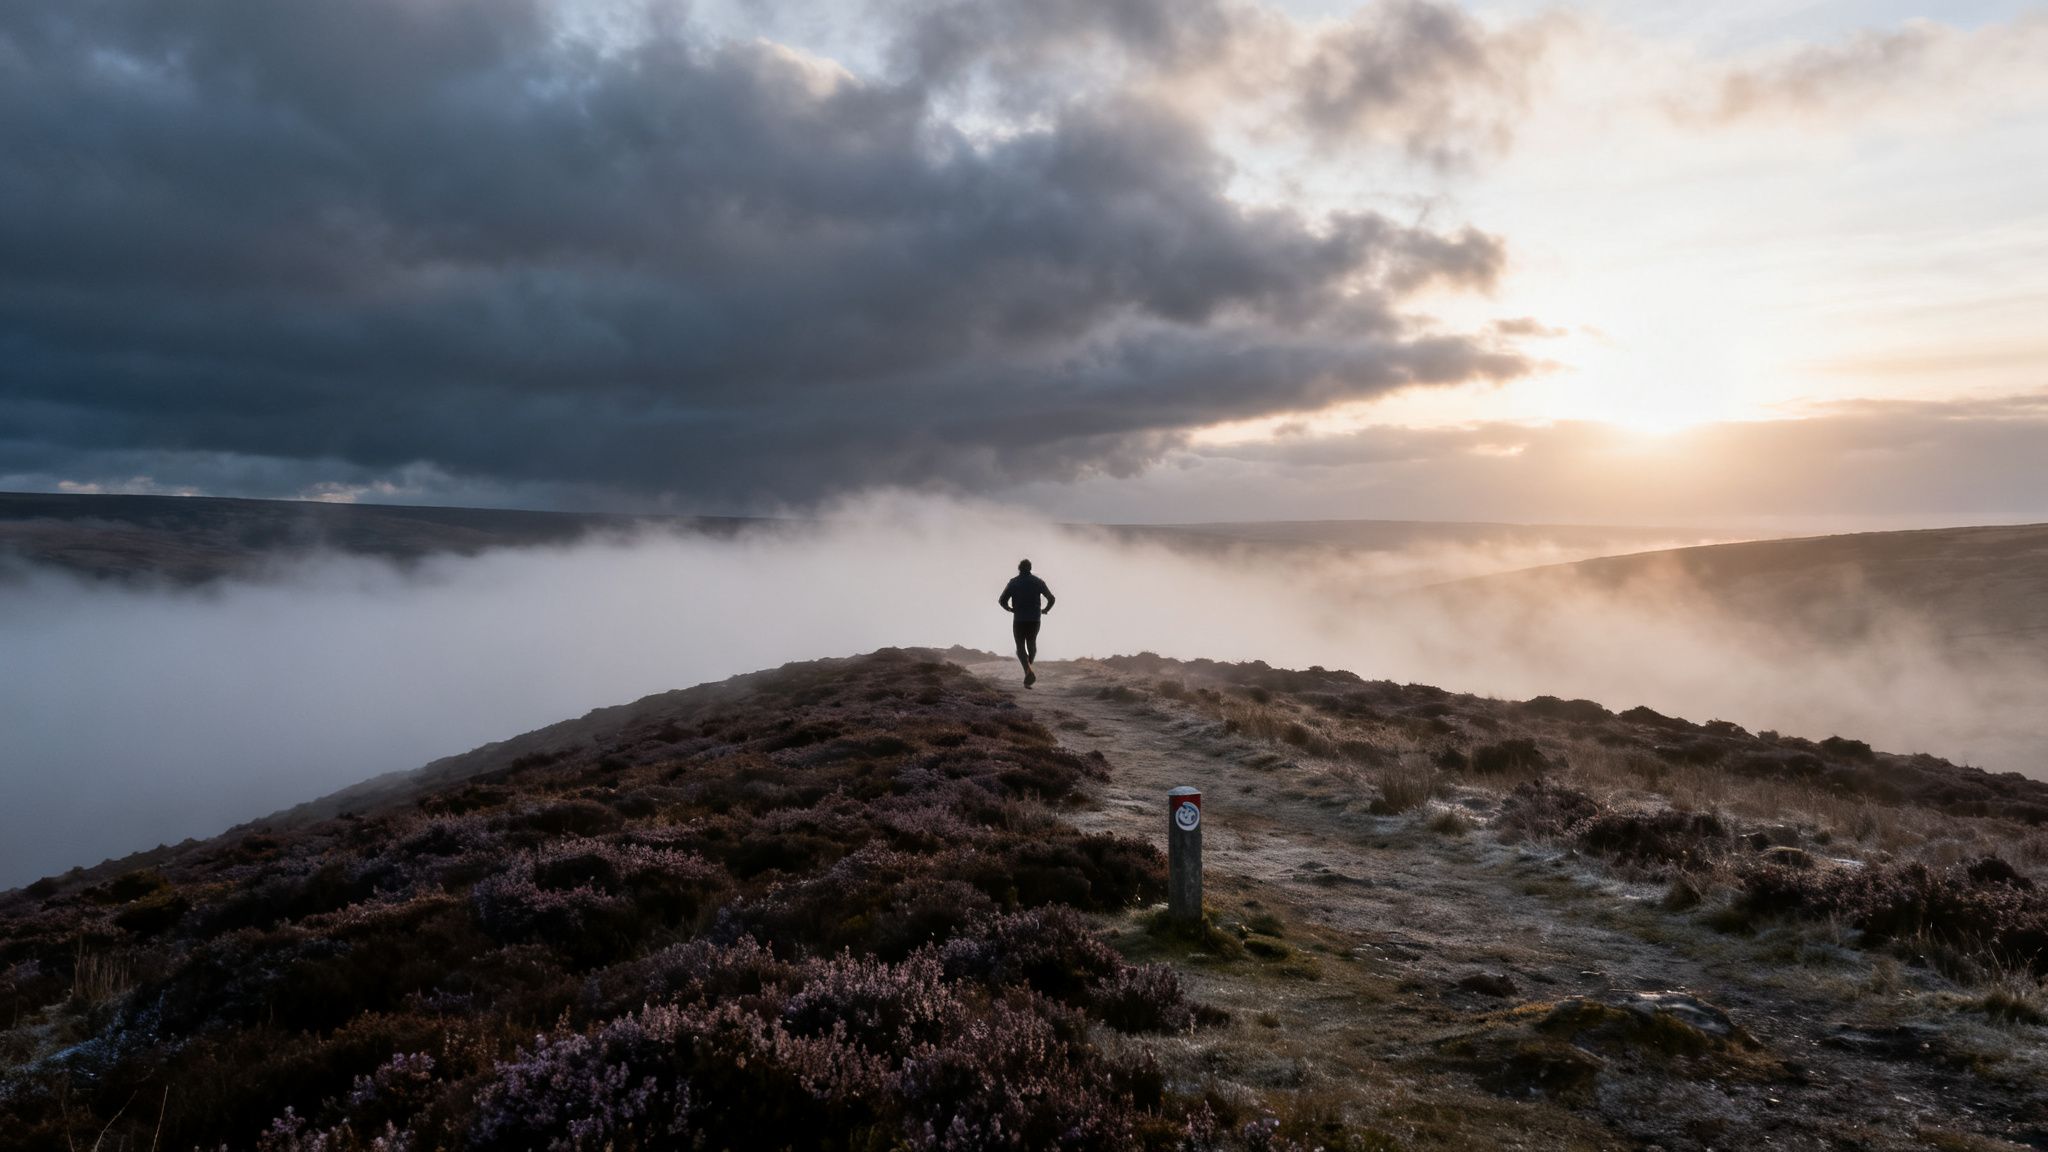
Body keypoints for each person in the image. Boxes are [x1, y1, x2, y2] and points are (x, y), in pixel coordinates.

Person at [998, 559, 1055, 687]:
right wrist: (1045, 610)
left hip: (1019, 619)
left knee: (1020, 647)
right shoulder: (1038, 582)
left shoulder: (1013, 583)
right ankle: (1029, 670)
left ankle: (1028, 671)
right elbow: (1051, 598)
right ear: (1030, 568)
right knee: (1031, 644)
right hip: (1035, 619)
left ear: (1019, 569)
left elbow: (1002, 600)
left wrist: (1009, 609)